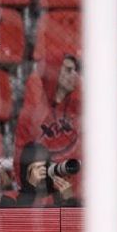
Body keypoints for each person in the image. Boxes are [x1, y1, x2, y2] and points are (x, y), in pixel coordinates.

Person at [15, 51, 81, 198]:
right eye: (69, 70)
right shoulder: (32, 113)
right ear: (55, 72)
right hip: (43, 191)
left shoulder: (80, 107)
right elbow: (21, 156)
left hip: (77, 185)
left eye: (75, 70)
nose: (75, 75)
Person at [13, 142, 78, 207]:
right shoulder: (12, 198)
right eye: (38, 167)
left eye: (45, 166)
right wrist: (31, 185)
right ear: (26, 171)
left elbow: (72, 215)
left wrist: (69, 199)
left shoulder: (56, 195)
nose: (43, 172)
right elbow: (22, 213)